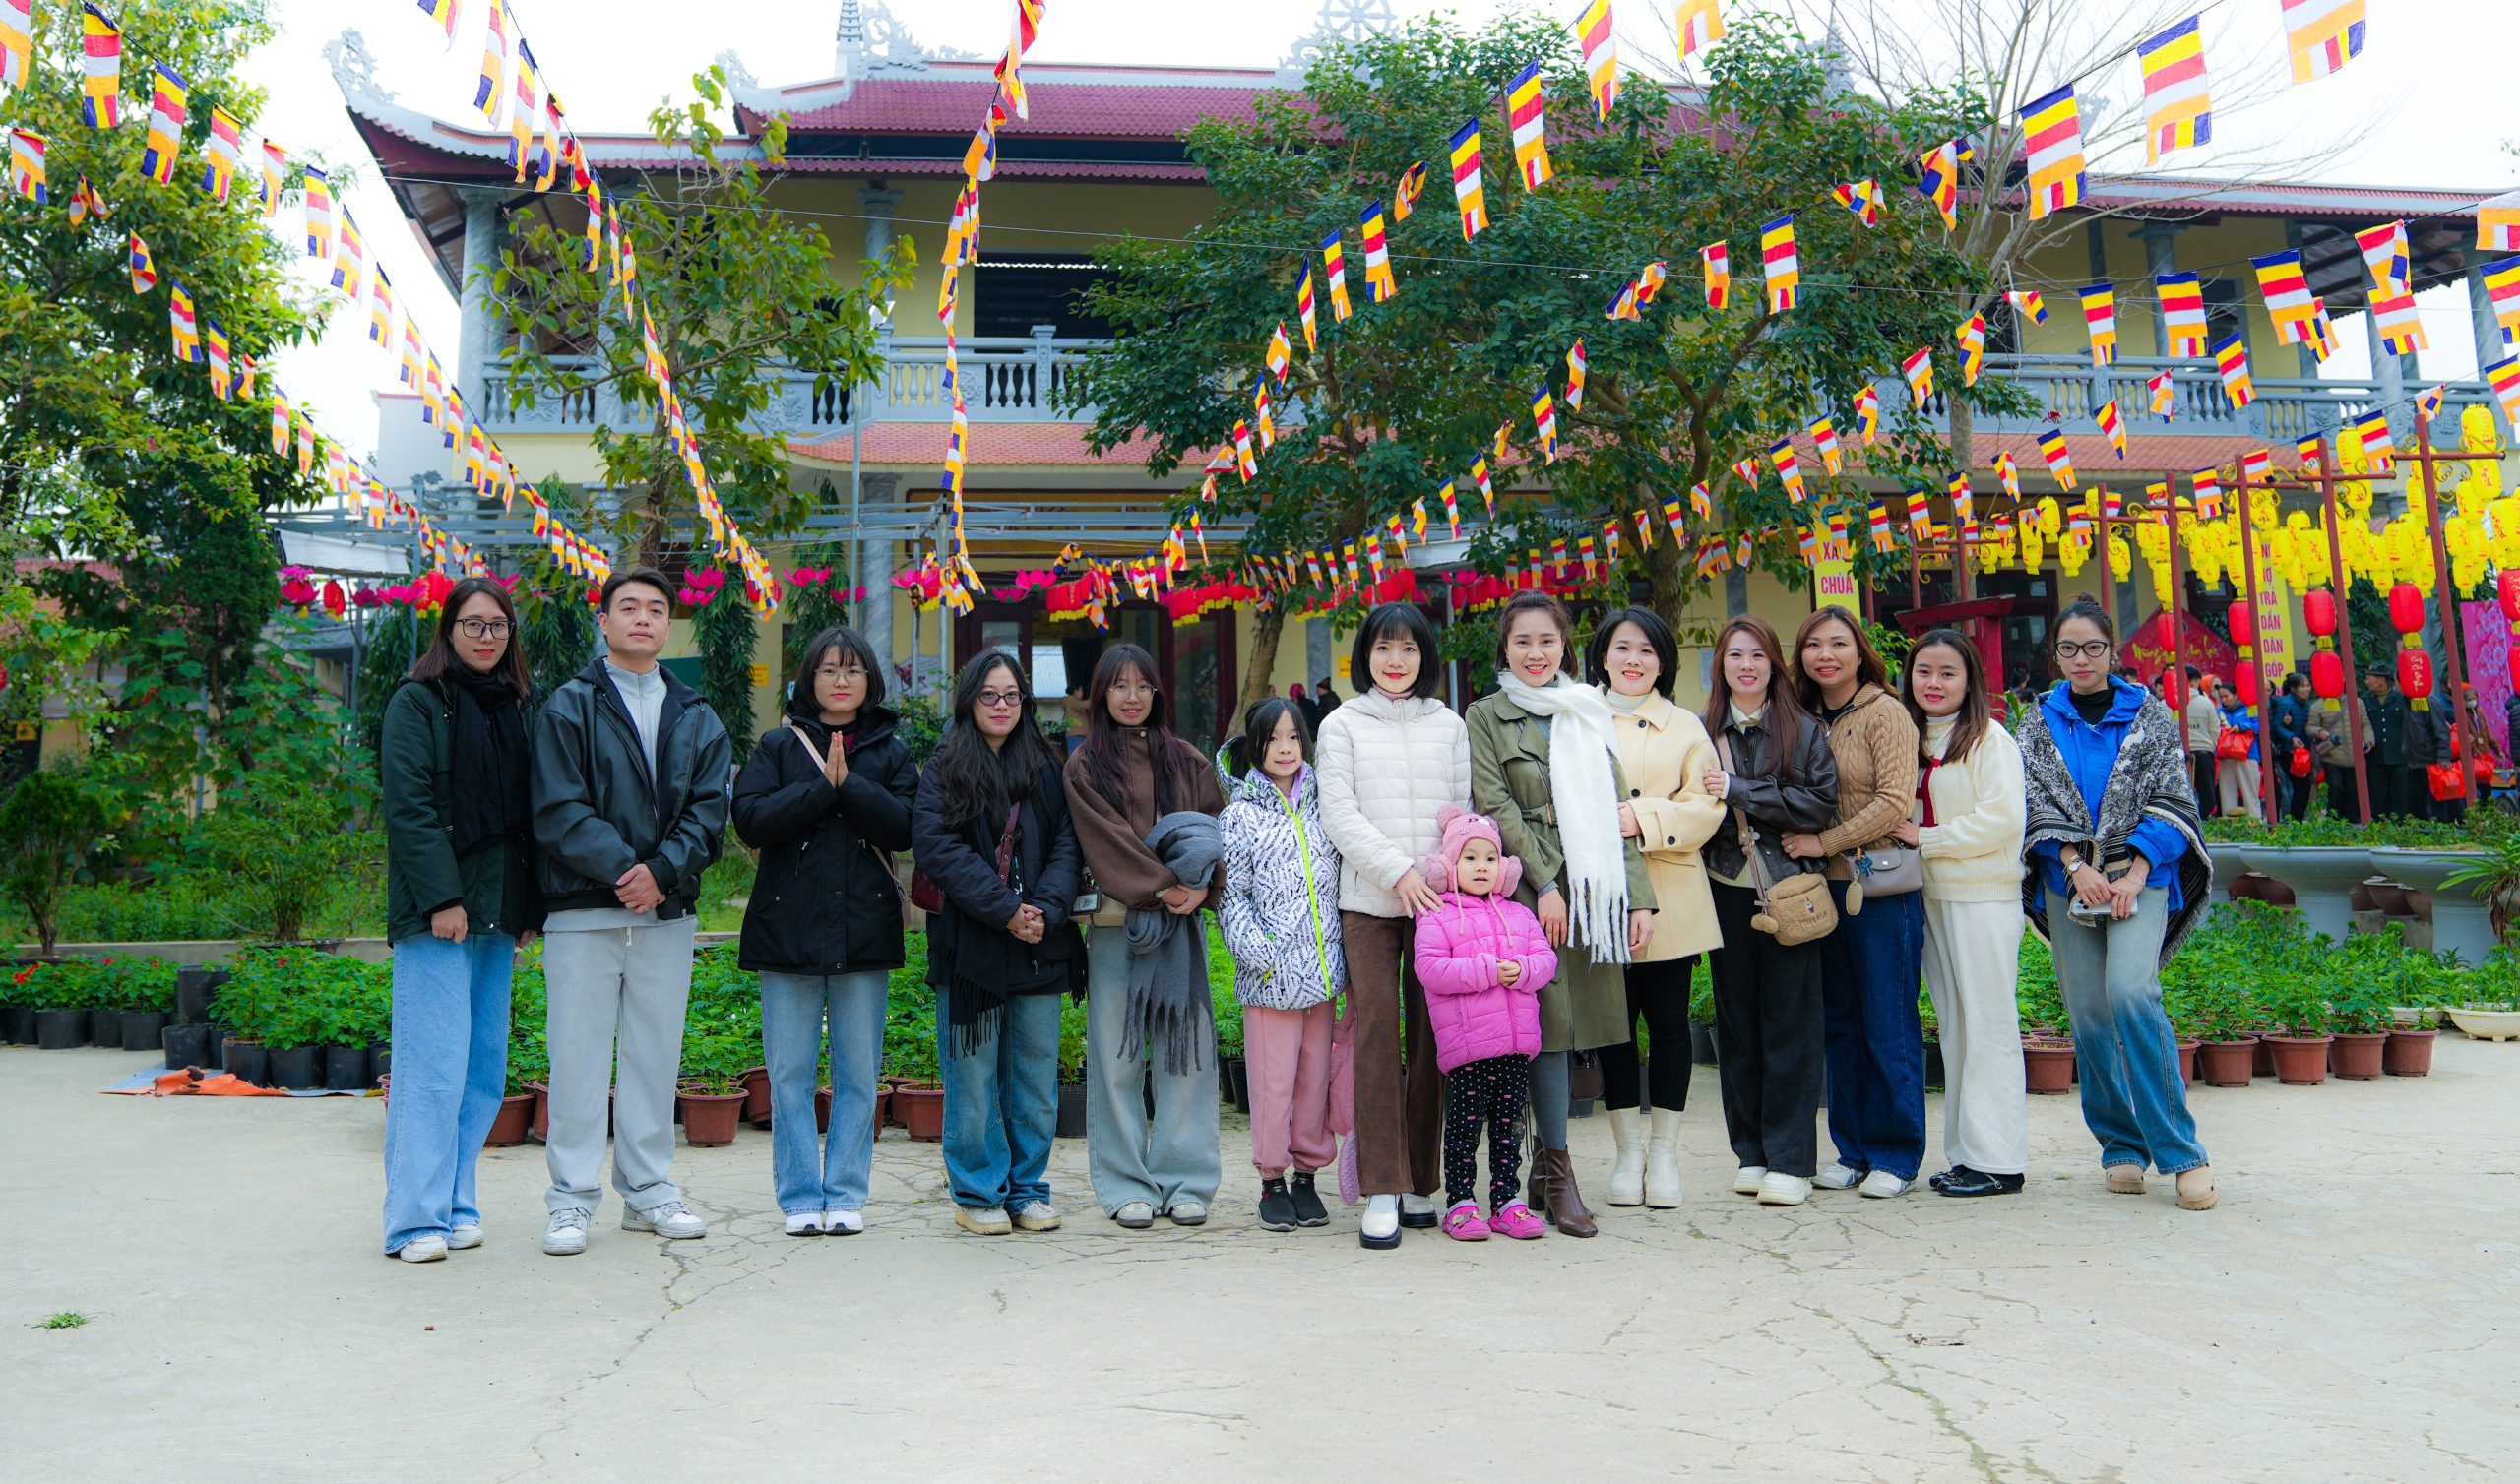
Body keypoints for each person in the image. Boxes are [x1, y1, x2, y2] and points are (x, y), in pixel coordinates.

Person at [532, 568, 733, 1257]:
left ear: (669, 625)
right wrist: (630, 873)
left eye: (655, 609)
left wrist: (663, 874)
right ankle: (570, 1199)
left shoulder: (698, 713)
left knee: (654, 1056)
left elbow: (709, 811)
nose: (642, 618)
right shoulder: (569, 705)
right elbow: (558, 808)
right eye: (628, 607)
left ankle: (648, 1191)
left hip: (665, 916)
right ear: (605, 621)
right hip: (584, 912)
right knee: (578, 1060)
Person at [1469, 591, 1657, 1238]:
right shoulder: (1486, 715)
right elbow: (1495, 804)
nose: (1535, 653)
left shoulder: (1585, 708)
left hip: (1594, 887)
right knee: (1545, 1026)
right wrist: (1545, 882)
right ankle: (1557, 1169)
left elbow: (1614, 807)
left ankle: (1542, 1174)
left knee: (1586, 1027)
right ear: (1505, 648)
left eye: (1547, 640)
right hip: (1529, 889)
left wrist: (1638, 897)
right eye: (1522, 641)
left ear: (1564, 646)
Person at [2019, 596, 2215, 1212]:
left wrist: (2135, 871)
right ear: (2056, 654)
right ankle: (2121, 1145)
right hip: (2068, 882)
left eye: (2093, 647)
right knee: (2089, 1015)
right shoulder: (2037, 722)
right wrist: (2074, 866)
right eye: (2069, 648)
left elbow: (2174, 798)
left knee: (2132, 993)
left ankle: (2182, 1153)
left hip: (2142, 877)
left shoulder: (2149, 716)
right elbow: (2032, 805)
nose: (2082, 659)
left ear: (2112, 651)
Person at [730, 625, 918, 1238]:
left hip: (864, 930)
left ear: (870, 681)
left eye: (853, 670)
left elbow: (906, 828)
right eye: (829, 670)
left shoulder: (891, 751)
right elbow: (751, 820)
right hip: (787, 929)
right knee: (789, 1074)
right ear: (809, 679)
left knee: (858, 1074)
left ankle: (845, 1193)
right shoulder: (777, 746)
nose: (841, 681)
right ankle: (799, 1198)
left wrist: (851, 785)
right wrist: (821, 789)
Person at [379, 577, 544, 1262]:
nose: (486, 636)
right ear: (448, 631)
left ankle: (456, 1201)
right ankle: (414, 1220)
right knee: (432, 1068)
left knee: (481, 1069)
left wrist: (527, 907)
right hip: (438, 915)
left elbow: (524, 819)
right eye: (473, 624)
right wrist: (442, 899)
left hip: (498, 913)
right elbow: (410, 808)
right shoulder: (417, 702)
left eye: (498, 625)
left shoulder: (514, 707)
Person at [914, 652, 1086, 1235]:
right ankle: (978, 1191)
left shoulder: (1045, 764)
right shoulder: (945, 767)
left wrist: (1047, 911)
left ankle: (1027, 1190)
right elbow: (937, 847)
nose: (1001, 706)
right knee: (972, 1080)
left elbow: (1068, 844)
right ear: (969, 700)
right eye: (990, 695)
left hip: (1039, 942)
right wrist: (1005, 910)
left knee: (1034, 1079)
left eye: (1012, 696)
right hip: (972, 946)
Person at [1315, 603, 1468, 1250]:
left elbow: (1461, 813)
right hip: (1368, 901)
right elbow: (1338, 813)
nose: (1396, 660)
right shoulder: (1342, 725)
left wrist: (1436, 873)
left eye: (1408, 648)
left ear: (1425, 656)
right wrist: (1397, 870)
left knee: (1433, 1036)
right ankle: (1381, 1184)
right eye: (1383, 648)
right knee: (1378, 1034)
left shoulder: (1449, 725)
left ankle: (1419, 1182)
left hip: (1437, 901)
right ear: (1365, 656)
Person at [1065, 644, 1230, 1229]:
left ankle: (1186, 1180)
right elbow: (1103, 841)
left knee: (1187, 1055)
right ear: (1101, 695)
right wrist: (1165, 887)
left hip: (1181, 928)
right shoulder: (1085, 765)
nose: (1132, 697)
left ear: (1157, 693)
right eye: (1119, 686)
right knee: (1118, 1056)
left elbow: (1217, 832)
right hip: (1119, 928)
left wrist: (1203, 889)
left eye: (1142, 686)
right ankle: (1125, 1183)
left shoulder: (1187, 760)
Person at [1701, 616, 1839, 1206]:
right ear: (1721, 664)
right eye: (1736, 655)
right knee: (1737, 1026)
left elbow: (1819, 807)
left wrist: (1739, 790)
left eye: (1758, 654)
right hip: (1724, 887)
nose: (1747, 666)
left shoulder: (1803, 730)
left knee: (1791, 1024)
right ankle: (1751, 1153)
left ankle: (1791, 1160)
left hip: (1789, 890)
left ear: (1774, 663)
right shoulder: (1700, 730)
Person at [1588, 606, 1723, 1210]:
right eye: (1622, 648)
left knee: (1669, 1025)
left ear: (1663, 661)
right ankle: (1627, 1154)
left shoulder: (1686, 726)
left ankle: (1664, 1153)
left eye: (1646, 650)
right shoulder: (1577, 717)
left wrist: (1641, 817)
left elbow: (1707, 807)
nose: (1633, 660)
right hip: (1601, 895)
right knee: (1614, 1029)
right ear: (1603, 656)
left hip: (1670, 892)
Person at [1790, 608, 1925, 1201]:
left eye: (1838, 643)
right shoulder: (1800, 717)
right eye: (1814, 645)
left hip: (1881, 889)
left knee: (1887, 1023)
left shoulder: (1885, 712)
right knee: (1840, 1025)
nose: (1826, 655)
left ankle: (1897, 1154)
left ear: (1859, 651)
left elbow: (1894, 801)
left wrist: (1825, 843)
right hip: (1820, 894)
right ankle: (1852, 1151)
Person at [1896, 631, 2028, 1198]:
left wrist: (1927, 838)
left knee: (1988, 1025)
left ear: (1970, 679)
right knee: (1955, 1029)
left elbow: (2003, 819)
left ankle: (2001, 1162)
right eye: (1924, 671)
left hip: (1982, 899)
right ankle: (1968, 1156)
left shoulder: (1990, 739)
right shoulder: (1911, 736)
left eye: (1948, 672)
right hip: (1932, 897)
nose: (1934, 683)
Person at [1216, 698, 1343, 1233]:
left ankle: (1307, 1178)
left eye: (1293, 737)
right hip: (1271, 978)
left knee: (1315, 1080)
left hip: (1324, 973)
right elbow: (1231, 896)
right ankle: (1272, 1180)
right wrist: (1260, 954)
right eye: (1272, 739)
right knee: (1272, 1084)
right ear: (1255, 746)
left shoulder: (1326, 804)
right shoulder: (1239, 815)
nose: (1284, 748)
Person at [1413, 808, 1556, 1241]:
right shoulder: (1436, 915)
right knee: (1464, 1129)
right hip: (1469, 1050)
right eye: (1470, 858)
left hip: (1514, 1047)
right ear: (1449, 866)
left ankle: (1506, 1202)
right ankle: (1460, 1203)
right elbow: (1430, 970)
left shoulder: (1519, 915)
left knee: (1509, 1128)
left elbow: (1545, 960)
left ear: (1503, 868)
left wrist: (1523, 970)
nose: (1482, 867)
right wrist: (1487, 970)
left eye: (1490, 859)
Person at [2310, 684, 2372, 822]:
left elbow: (2365, 725)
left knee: (2354, 790)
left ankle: (2352, 820)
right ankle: (2334, 819)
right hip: (2332, 755)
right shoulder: (2317, 705)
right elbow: (2310, 727)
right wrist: (2319, 732)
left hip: (2354, 756)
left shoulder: (2357, 702)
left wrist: (2369, 741)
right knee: (2335, 787)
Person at [2404, 690, 2458, 823]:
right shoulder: (2403, 702)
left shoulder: (2430, 702)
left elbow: (2441, 731)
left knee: (2437, 806)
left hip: (2432, 762)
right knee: (2416, 806)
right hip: (2411, 762)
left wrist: (2443, 757)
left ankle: (2442, 830)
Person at [2363, 668, 2410, 818]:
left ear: (2381, 680)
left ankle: (2399, 823)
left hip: (2398, 754)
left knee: (2400, 793)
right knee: (2378, 794)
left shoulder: (2401, 699)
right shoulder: (2365, 700)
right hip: (2376, 756)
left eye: (2369, 678)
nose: (2367, 682)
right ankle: (2380, 823)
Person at [2215, 678, 2262, 821]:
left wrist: (2242, 727)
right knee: (2226, 795)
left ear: (2236, 695)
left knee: (2250, 795)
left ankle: (2256, 827)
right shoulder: (2218, 712)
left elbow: (2261, 726)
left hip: (2247, 756)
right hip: (2225, 757)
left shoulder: (2250, 709)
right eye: (2221, 697)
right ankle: (2230, 828)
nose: (2223, 700)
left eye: (2226, 696)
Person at [2271, 672, 2313, 822]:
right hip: (2289, 751)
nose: (2307, 689)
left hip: (2304, 751)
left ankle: (2296, 820)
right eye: (2303, 686)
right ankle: (2295, 821)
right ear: (2293, 689)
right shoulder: (2286, 703)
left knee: (2303, 787)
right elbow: (2277, 725)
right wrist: (2291, 737)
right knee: (2301, 786)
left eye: (2308, 685)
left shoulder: (2308, 704)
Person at [2182, 665, 2221, 818]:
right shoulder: (2206, 703)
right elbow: (2215, 729)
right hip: (2204, 752)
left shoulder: (2167, 703)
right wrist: (2209, 743)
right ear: (2194, 682)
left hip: (2178, 755)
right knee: (2207, 798)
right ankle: (2205, 826)